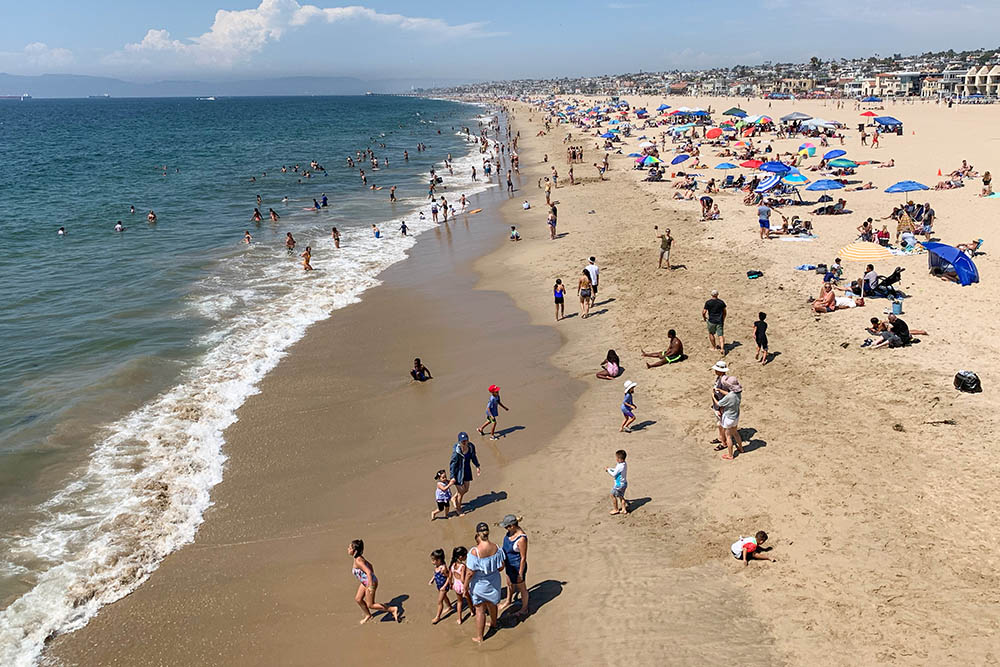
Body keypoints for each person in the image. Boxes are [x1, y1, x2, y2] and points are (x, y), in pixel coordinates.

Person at [464, 522, 506, 643]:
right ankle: (494, 623)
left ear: (478, 534)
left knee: (480, 610)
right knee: (493, 605)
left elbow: (470, 573)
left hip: (479, 585)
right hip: (494, 582)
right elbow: (501, 567)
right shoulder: (496, 548)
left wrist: (465, 586)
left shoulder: (474, 552)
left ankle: (480, 637)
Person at [347, 539, 400, 623]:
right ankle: (368, 615)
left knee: (371, 604)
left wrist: (371, 585)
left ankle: (392, 609)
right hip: (365, 582)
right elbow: (370, 565)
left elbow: (368, 572)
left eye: (350, 548)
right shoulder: (358, 558)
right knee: (358, 599)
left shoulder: (358, 561)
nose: (348, 549)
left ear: (355, 551)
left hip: (370, 583)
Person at [499, 515, 529, 617]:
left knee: (522, 588)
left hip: (517, 567)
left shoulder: (521, 539)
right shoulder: (509, 533)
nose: (505, 528)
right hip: (508, 565)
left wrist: (520, 573)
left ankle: (524, 609)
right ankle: (508, 600)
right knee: (509, 584)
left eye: (506, 526)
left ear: (512, 526)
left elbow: (523, 558)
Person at [449, 432, 481, 516]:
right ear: (459, 441)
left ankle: (454, 498)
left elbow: (473, 457)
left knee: (466, 489)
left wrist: (477, 466)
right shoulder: (457, 451)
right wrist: (452, 477)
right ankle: (458, 509)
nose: (464, 442)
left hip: (467, 470)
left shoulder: (471, 447)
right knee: (461, 492)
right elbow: (452, 464)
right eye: (462, 441)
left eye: (465, 440)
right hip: (458, 473)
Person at [715, 376, 744, 460]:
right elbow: (729, 394)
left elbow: (719, 404)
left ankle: (730, 455)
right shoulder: (738, 394)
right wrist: (720, 390)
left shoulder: (730, 396)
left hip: (728, 418)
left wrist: (713, 396)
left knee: (728, 437)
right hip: (736, 416)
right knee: (735, 433)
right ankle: (741, 448)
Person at [448, 547, 472, 624]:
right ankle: (472, 611)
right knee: (468, 599)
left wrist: (450, 584)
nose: (466, 557)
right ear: (461, 557)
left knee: (459, 601)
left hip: (456, 585)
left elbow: (450, 577)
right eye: (465, 555)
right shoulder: (463, 566)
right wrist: (466, 585)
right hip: (462, 585)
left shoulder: (452, 565)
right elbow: (462, 579)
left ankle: (459, 618)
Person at [428, 549, 453, 624]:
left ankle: (437, 617)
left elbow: (449, 577)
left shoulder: (443, 568)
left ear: (439, 560)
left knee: (439, 601)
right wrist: (432, 579)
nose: (432, 562)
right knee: (444, 597)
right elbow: (435, 574)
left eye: (433, 560)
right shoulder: (437, 566)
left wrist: (445, 586)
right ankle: (449, 606)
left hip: (443, 586)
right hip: (439, 585)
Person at [606, 449, 628, 515]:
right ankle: (624, 509)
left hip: (619, 485)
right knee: (621, 496)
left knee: (612, 495)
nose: (616, 459)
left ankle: (616, 509)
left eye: (617, 458)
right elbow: (616, 470)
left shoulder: (619, 466)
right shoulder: (624, 464)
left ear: (620, 459)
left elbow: (614, 474)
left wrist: (608, 470)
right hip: (624, 483)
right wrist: (610, 469)